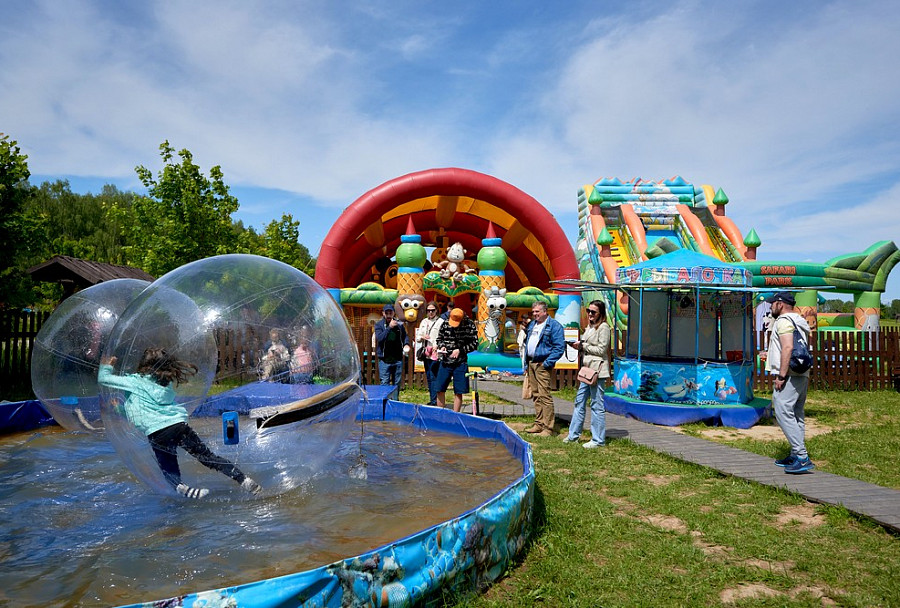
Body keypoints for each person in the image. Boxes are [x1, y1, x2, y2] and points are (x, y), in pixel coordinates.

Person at [98, 348, 261, 499]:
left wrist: (107, 366)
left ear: (142, 365)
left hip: (158, 434)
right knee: (208, 457)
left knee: (169, 470)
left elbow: (104, 379)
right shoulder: (164, 384)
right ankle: (243, 479)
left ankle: (182, 488)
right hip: (178, 426)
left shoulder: (133, 381)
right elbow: (142, 411)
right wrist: (120, 409)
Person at [761, 291, 815, 474]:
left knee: (782, 411)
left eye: (772, 303)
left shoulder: (784, 321)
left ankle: (801, 456)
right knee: (796, 414)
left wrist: (781, 376)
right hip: (802, 372)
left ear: (780, 304)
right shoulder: (799, 320)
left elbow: (788, 347)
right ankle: (795, 454)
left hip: (789, 374)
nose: (770, 307)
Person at [565, 300, 611, 448]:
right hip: (586, 371)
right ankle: (573, 435)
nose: (590, 314)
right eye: (588, 311)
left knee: (597, 405)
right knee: (579, 401)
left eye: (593, 312)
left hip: (597, 372)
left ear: (600, 313)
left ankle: (598, 440)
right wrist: (578, 345)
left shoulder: (604, 327)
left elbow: (602, 350)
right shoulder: (590, 327)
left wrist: (583, 346)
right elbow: (587, 346)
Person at [522, 301, 566, 436]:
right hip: (531, 362)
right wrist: (526, 363)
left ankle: (548, 427)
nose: (534, 314)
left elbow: (559, 347)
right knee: (535, 395)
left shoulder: (554, 326)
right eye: (533, 311)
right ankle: (539, 423)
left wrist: (547, 363)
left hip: (542, 364)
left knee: (544, 395)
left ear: (545, 311)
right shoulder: (532, 325)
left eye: (537, 311)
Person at [434, 308, 478, 412]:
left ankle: (455, 414)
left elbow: (475, 344)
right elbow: (439, 339)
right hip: (445, 361)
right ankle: (440, 414)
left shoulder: (470, 325)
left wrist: (460, 350)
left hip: (460, 362)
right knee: (439, 388)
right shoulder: (445, 323)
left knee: (459, 391)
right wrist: (442, 346)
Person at [415, 301, 443, 405]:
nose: (430, 312)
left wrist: (437, 345)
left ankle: (435, 400)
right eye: (428, 310)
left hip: (435, 353)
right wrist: (422, 337)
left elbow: (442, 337)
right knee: (429, 376)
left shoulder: (440, 322)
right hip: (426, 352)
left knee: (433, 376)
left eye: (432, 310)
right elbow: (418, 337)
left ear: (436, 311)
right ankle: (432, 399)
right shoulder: (424, 321)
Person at [374, 303, 409, 386]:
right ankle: (385, 396)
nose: (389, 315)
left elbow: (405, 336)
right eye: (387, 313)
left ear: (394, 313)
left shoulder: (399, 324)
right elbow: (380, 338)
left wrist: (406, 344)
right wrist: (389, 327)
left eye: (391, 313)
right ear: (383, 313)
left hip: (397, 359)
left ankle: (395, 395)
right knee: (384, 383)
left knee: (396, 384)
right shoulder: (379, 325)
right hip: (384, 360)